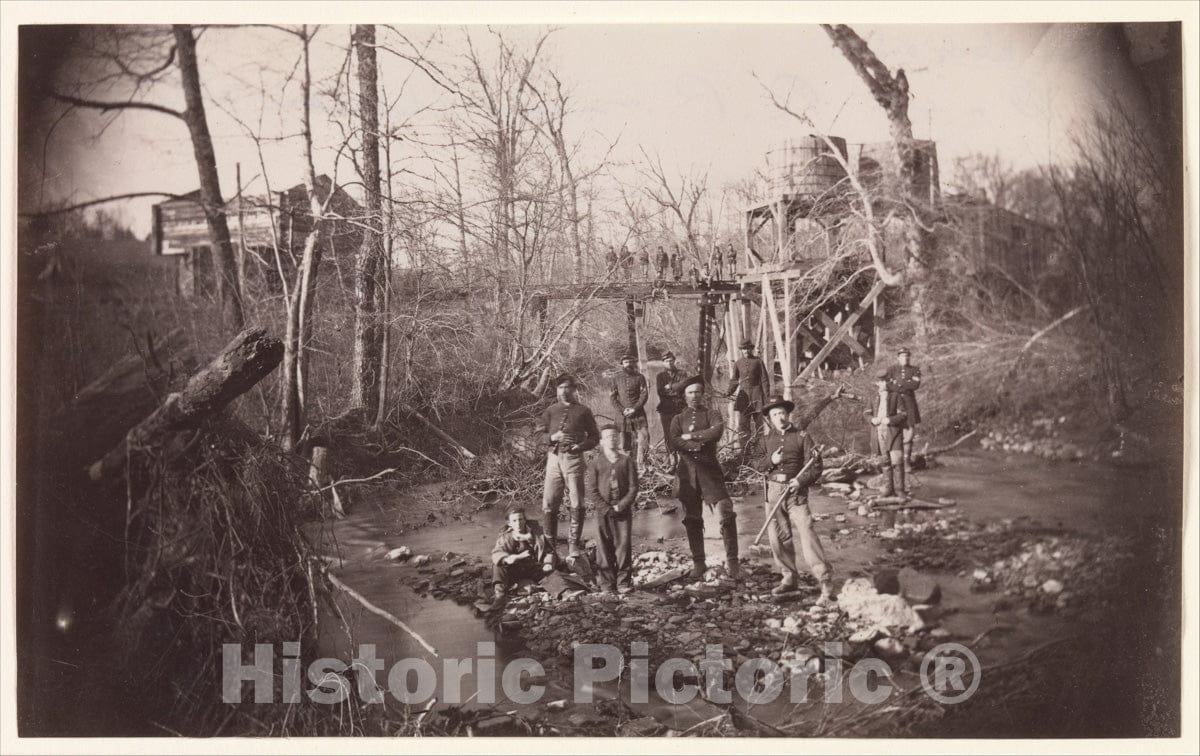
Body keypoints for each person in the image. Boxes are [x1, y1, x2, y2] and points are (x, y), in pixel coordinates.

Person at [753, 395, 833, 600]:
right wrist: (771, 460)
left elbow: (816, 465)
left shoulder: (802, 436)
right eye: (775, 414)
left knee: (807, 533)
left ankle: (824, 580)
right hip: (773, 491)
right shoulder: (764, 440)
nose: (779, 417)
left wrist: (800, 481)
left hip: (796, 492)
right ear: (769, 418)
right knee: (779, 537)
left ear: (788, 415)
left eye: (782, 413)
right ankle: (788, 578)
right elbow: (757, 465)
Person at [669, 377, 740, 580]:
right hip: (687, 474)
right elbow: (674, 441)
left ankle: (733, 561)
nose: (694, 396)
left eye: (698, 392)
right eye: (690, 393)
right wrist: (697, 444)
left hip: (710, 472)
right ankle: (699, 562)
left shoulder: (712, 414)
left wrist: (691, 437)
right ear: (685, 396)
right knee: (692, 519)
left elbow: (716, 432)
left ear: (703, 394)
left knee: (726, 512)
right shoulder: (678, 419)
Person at [536, 373, 600, 554]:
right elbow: (537, 437)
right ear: (556, 390)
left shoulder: (583, 411)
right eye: (560, 388)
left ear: (574, 389)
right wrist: (552, 437)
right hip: (553, 460)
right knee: (549, 503)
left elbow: (595, 437)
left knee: (577, 503)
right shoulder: (550, 411)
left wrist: (580, 446)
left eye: (567, 388)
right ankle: (550, 549)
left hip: (574, 460)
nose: (564, 391)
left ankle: (573, 547)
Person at [586, 424, 638, 593]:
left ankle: (623, 583)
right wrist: (606, 508)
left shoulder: (627, 461)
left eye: (615, 436)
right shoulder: (595, 463)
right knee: (603, 546)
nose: (612, 439)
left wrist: (621, 505)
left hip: (623, 512)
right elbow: (591, 490)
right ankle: (607, 584)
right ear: (601, 441)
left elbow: (633, 488)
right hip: (602, 512)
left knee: (623, 546)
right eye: (608, 436)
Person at [490, 504, 558, 608]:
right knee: (498, 566)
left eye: (520, 519)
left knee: (552, 575)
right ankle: (500, 596)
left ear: (525, 519)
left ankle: (564, 593)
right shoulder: (505, 537)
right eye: (514, 521)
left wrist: (548, 563)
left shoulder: (537, 533)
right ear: (509, 523)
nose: (518, 524)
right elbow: (496, 553)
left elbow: (549, 551)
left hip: (534, 568)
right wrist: (509, 558)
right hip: (516, 570)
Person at [867, 370, 910, 498]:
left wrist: (890, 420)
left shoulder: (896, 396)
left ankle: (900, 490)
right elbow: (866, 413)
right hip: (878, 433)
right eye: (880, 381)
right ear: (877, 383)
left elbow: (903, 414)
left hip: (893, 432)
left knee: (897, 461)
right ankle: (888, 489)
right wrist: (872, 419)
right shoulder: (873, 398)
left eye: (885, 381)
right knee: (885, 462)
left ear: (889, 382)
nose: (883, 384)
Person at [727, 339, 771, 449]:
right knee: (743, 425)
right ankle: (745, 449)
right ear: (741, 350)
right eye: (743, 349)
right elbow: (734, 380)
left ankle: (761, 448)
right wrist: (729, 391)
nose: (746, 351)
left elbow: (764, 380)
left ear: (751, 349)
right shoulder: (738, 363)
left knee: (759, 425)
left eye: (747, 348)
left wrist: (766, 398)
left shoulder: (758, 362)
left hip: (757, 396)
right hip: (743, 397)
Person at [610, 352, 650, 472]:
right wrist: (623, 410)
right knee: (623, 442)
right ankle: (625, 467)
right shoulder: (616, 378)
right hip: (622, 416)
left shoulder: (640, 377)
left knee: (644, 437)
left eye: (631, 362)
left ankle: (641, 465)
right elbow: (612, 398)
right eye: (626, 362)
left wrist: (634, 408)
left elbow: (644, 395)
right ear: (622, 364)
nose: (629, 364)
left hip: (638, 414)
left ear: (634, 363)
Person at [884, 347, 922, 471]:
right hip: (894, 402)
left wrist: (898, 383)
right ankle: (893, 461)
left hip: (909, 403)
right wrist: (905, 384)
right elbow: (888, 385)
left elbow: (915, 385)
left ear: (909, 357)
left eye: (907, 356)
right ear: (898, 357)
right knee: (894, 430)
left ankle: (906, 462)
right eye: (902, 356)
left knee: (909, 432)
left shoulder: (915, 370)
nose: (904, 358)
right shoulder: (891, 370)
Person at [655, 351, 687, 465]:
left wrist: (671, 387)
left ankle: (683, 458)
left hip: (680, 408)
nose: (669, 363)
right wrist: (676, 390)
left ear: (674, 361)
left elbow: (684, 388)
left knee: (681, 432)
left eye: (671, 360)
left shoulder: (682, 373)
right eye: (667, 361)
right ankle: (672, 458)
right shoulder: (660, 376)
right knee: (668, 434)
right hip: (666, 408)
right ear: (663, 363)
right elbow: (661, 392)